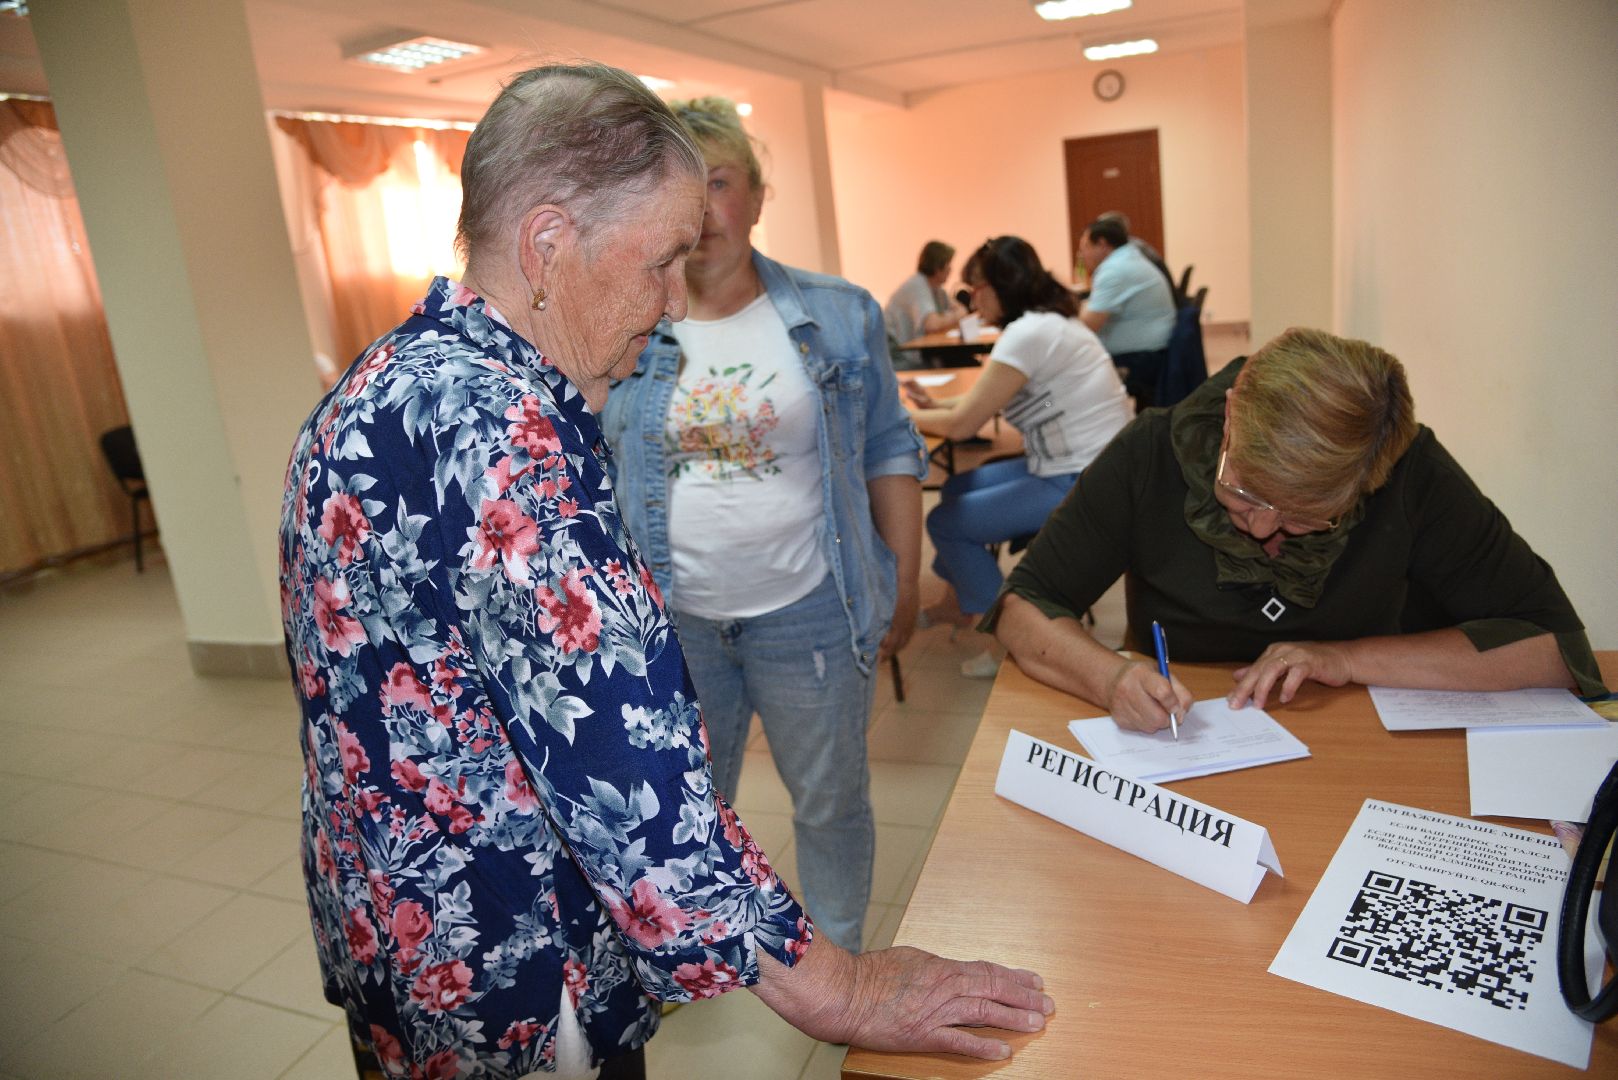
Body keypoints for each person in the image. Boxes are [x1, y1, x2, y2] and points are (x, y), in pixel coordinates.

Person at [280, 63, 1049, 1080]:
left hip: (404, 936)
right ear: (548, 244)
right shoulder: (505, 435)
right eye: (661, 262)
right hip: (513, 968)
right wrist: (842, 985)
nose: (677, 300)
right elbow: (626, 784)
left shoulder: (393, 377)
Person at [601, 96, 924, 957]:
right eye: (681, 189)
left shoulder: (839, 312)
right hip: (677, 622)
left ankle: (841, 958)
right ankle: (698, 953)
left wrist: (904, 580)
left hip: (809, 611)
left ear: (757, 195)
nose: (703, 211)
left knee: (829, 800)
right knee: (690, 805)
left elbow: (891, 447)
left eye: (721, 183)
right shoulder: (629, 327)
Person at [988, 326, 1605, 733]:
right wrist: (1112, 677)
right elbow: (1025, 605)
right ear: (1231, 413)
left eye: (1308, 516)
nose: (1261, 527)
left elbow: (1552, 647)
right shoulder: (1150, 452)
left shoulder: (1411, 469)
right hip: (1181, 743)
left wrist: (1346, 658)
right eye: (1244, 491)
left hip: (1358, 748)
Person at [904, 237, 1132, 678]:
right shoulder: (1050, 323)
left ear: (999, 287)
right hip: (1090, 466)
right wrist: (926, 409)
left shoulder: (1028, 333)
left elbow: (964, 425)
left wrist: (904, 415)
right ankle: (957, 603)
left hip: (1081, 481)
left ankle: (1007, 641)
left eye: (974, 290)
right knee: (954, 486)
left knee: (944, 521)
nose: (971, 302)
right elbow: (977, 403)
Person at [1077, 216, 1176, 406]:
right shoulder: (1129, 257)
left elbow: (1088, 326)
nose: (1082, 255)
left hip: (1140, 359)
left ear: (1102, 244)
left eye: (1085, 248)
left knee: (1069, 373)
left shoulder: (1114, 270)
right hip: (1153, 350)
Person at [884, 240, 967, 369]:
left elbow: (962, 310)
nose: (951, 269)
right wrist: (954, 316)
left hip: (913, 352)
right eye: (948, 264)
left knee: (959, 362)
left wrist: (950, 316)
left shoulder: (936, 289)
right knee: (949, 367)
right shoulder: (918, 285)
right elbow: (932, 324)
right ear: (937, 266)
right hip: (896, 355)